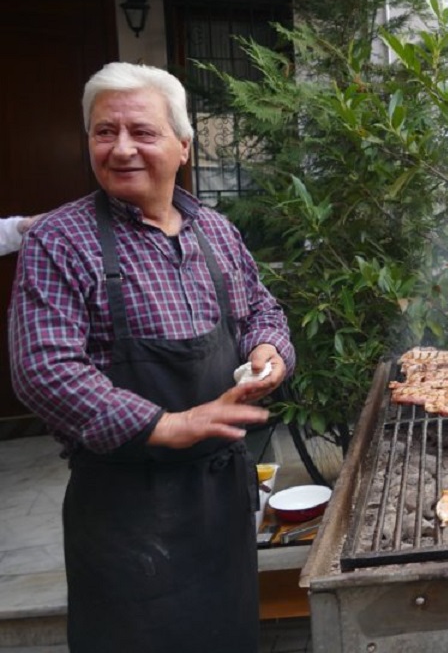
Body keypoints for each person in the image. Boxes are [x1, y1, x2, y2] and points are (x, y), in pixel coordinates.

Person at [8, 62, 295, 653]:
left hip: (220, 498)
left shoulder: (215, 231)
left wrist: (270, 351)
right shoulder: (59, 241)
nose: (120, 149)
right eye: (103, 132)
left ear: (183, 146)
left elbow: (261, 311)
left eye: (142, 131)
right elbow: (43, 369)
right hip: (126, 512)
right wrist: (168, 424)